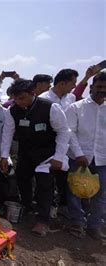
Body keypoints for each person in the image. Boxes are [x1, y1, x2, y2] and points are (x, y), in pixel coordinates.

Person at [0, 79, 70, 238]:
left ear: (33, 93)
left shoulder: (50, 108)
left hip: (47, 155)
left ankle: (43, 220)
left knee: (44, 186)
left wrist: (58, 157)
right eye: (15, 99)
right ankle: (27, 207)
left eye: (22, 98)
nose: (18, 102)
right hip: (26, 153)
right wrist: (4, 156)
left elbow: (64, 132)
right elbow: (7, 134)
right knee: (22, 180)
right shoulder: (12, 111)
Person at [65, 71, 106, 240]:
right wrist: (79, 153)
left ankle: (94, 225)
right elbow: (69, 132)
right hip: (79, 158)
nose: (102, 90)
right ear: (91, 87)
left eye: (105, 87)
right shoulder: (77, 107)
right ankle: (77, 222)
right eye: (99, 87)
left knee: (101, 193)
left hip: (102, 158)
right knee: (74, 191)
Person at [38, 69, 78, 217]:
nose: (74, 86)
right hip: (47, 145)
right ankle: (45, 211)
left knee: (64, 180)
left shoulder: (71, 98)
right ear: (62, 83)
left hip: (67, 146)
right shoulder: (43, 99)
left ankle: (59, 207)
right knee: (46, 181)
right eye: (73, 83)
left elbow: (68, 128)